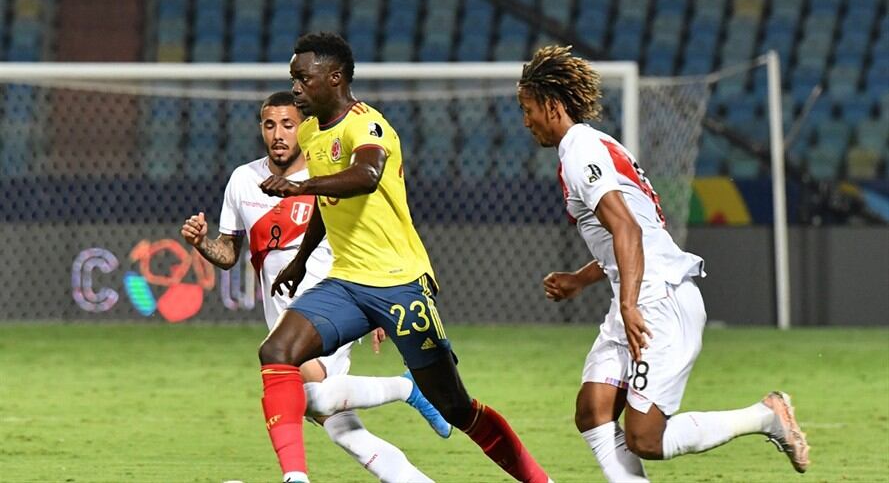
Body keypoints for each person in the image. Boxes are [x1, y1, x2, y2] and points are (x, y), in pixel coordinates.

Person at [255, 32, 552, 483]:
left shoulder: (369, 126)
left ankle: (539, 480)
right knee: (276, 350)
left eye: (302, 78)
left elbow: (366, 174)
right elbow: (327, 204)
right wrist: (301, 259)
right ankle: (296, 478)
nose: (295, 88)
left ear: (334, 78)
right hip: (347, 283)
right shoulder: (312, 131)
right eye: (292, 78)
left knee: (455, 406)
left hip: (400, 284)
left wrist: (299, 186)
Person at [516, 45, 810, 482]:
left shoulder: (581, 152)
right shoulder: (595, 146)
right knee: (592, 411)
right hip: (638, 294)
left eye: (528, 109)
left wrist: (631, 305)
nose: (526, 121)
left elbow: (629, 233)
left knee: (646, 439)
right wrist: (583, 279)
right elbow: (638, 235)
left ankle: (765, 416)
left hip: (658, 302)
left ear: (553, 105)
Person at [180, 91, 451, 483]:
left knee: (302, 392)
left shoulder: (327, 177)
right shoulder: (243, 180)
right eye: (269, 125)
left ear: (303, 126)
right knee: (342, 427)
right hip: (283, 320)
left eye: (288, 124)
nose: (278, 134)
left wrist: (375, 306)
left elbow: (366, 235)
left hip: (330, 310)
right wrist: (202, 242)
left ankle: (403, 391)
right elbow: (228, 253)